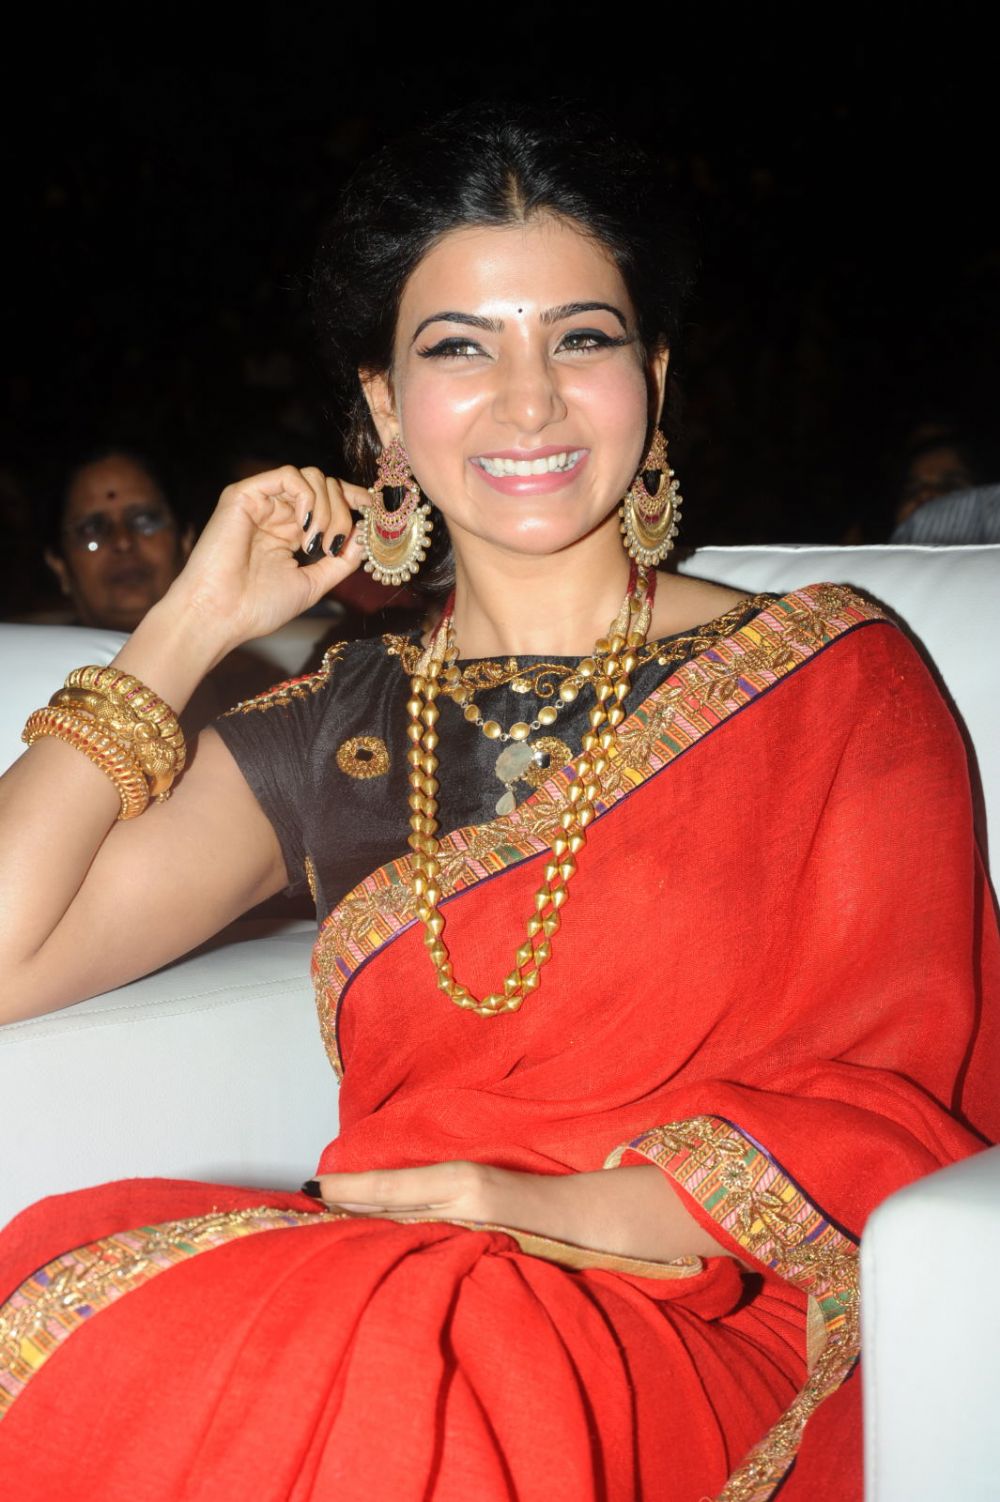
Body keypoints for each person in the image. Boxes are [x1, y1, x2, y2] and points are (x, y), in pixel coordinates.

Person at [0, 107, 996, 1502]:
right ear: (380, 406)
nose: (529, 402)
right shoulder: (341, 720)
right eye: (459, 348)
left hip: (695, 1303)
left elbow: (907, 1099)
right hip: (393, 1276)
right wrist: (186, 626)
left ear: (652, 376)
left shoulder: (829, 676)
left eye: (580, 338)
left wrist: (546, 1204)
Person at [44, 449, 196, 633]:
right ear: (59, 567)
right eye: (91, 529)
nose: (123, 542)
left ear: (186, 544)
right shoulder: (26, 649)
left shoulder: (231, 646)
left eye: (145, 520)